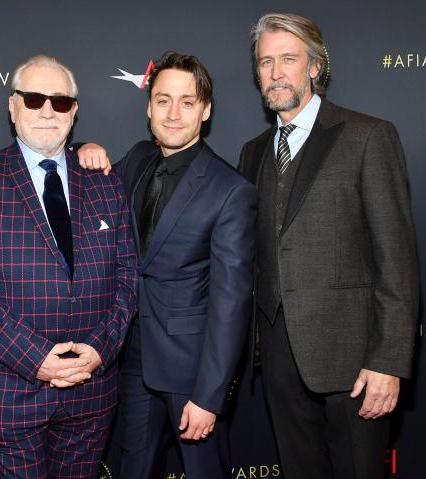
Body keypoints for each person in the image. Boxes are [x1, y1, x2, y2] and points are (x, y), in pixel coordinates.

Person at [238, 13, 419, 479]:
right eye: (266, 62)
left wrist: (388, 363)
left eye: (288, 60)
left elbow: (396, 262)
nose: (276, 73)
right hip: (278, 363)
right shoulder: (253, 152)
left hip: (354, 365)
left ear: (314, 67)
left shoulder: (367, 137)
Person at [0, 54, 138, 479]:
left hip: (91, 389)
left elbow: (127, 277)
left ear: (75, 112)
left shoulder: (106, 180)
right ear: (12, 108)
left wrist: (100, 351)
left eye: (61, 101)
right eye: (33, 99)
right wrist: (35, 359)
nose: (47, 110)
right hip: (12, 390)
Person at [82, 51, 257, 478]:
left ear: (206, 110)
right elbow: (84, 176)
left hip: (192, 372)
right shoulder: (139, 158)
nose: (173, 113)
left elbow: (232, 303)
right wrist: (82, 147)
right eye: (163, 100)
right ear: (148, 107)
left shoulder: (230, 189)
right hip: (132, 361)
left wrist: (210, 396)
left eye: (187, 101)